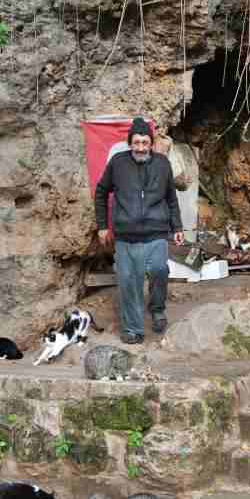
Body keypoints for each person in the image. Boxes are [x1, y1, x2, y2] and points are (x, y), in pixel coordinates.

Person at [95, 117, 184, 344]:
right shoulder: (118, 163)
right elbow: (101, 192)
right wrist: (103, 226)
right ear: (130, 143)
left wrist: (177, 227)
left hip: (156, 232)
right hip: (126, 235)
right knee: (128, 279)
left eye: (145, 143)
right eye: (136, 143)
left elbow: (171, 198)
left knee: (159, 270)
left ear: (151, 143)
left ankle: (156, 308)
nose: (141, 148)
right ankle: (133, 329)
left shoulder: (162, 164)